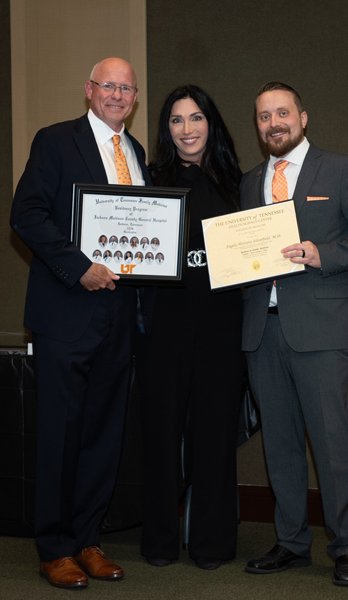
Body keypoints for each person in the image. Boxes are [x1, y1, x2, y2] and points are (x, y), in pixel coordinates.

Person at [241, 82, 348, 587]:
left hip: (321, 331)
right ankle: (291, 542)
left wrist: (322, 253)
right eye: (265, 116)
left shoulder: (341, 168)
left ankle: (346, 547)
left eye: (282, 113)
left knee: (331, 443)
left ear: (303, 118)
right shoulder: (248, 183)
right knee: (280, 444)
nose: (274, 123)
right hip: (262, 330)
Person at [10, 57, 155, 589]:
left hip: (120, 318)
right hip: (66, 314)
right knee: (60, 436)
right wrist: (79, 269)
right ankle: (54, 548)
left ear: (134, 98)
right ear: (89, 90)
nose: (117, 95)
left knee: (103, 435)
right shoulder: (55, 141)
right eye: (107, 86)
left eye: (126, 88)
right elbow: (26, 215)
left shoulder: (136, 153)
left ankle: (87, 540)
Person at [136, 85, 245, 571]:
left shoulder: (236, 182)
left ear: (210, 123)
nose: (187, 129)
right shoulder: (149, 179)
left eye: (196, 118)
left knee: (216, 436)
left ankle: (212, 543)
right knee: (159, 435)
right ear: (167, 129)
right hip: (165, 326)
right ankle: (159, 542)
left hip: (222, 326)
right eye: (177, 120)